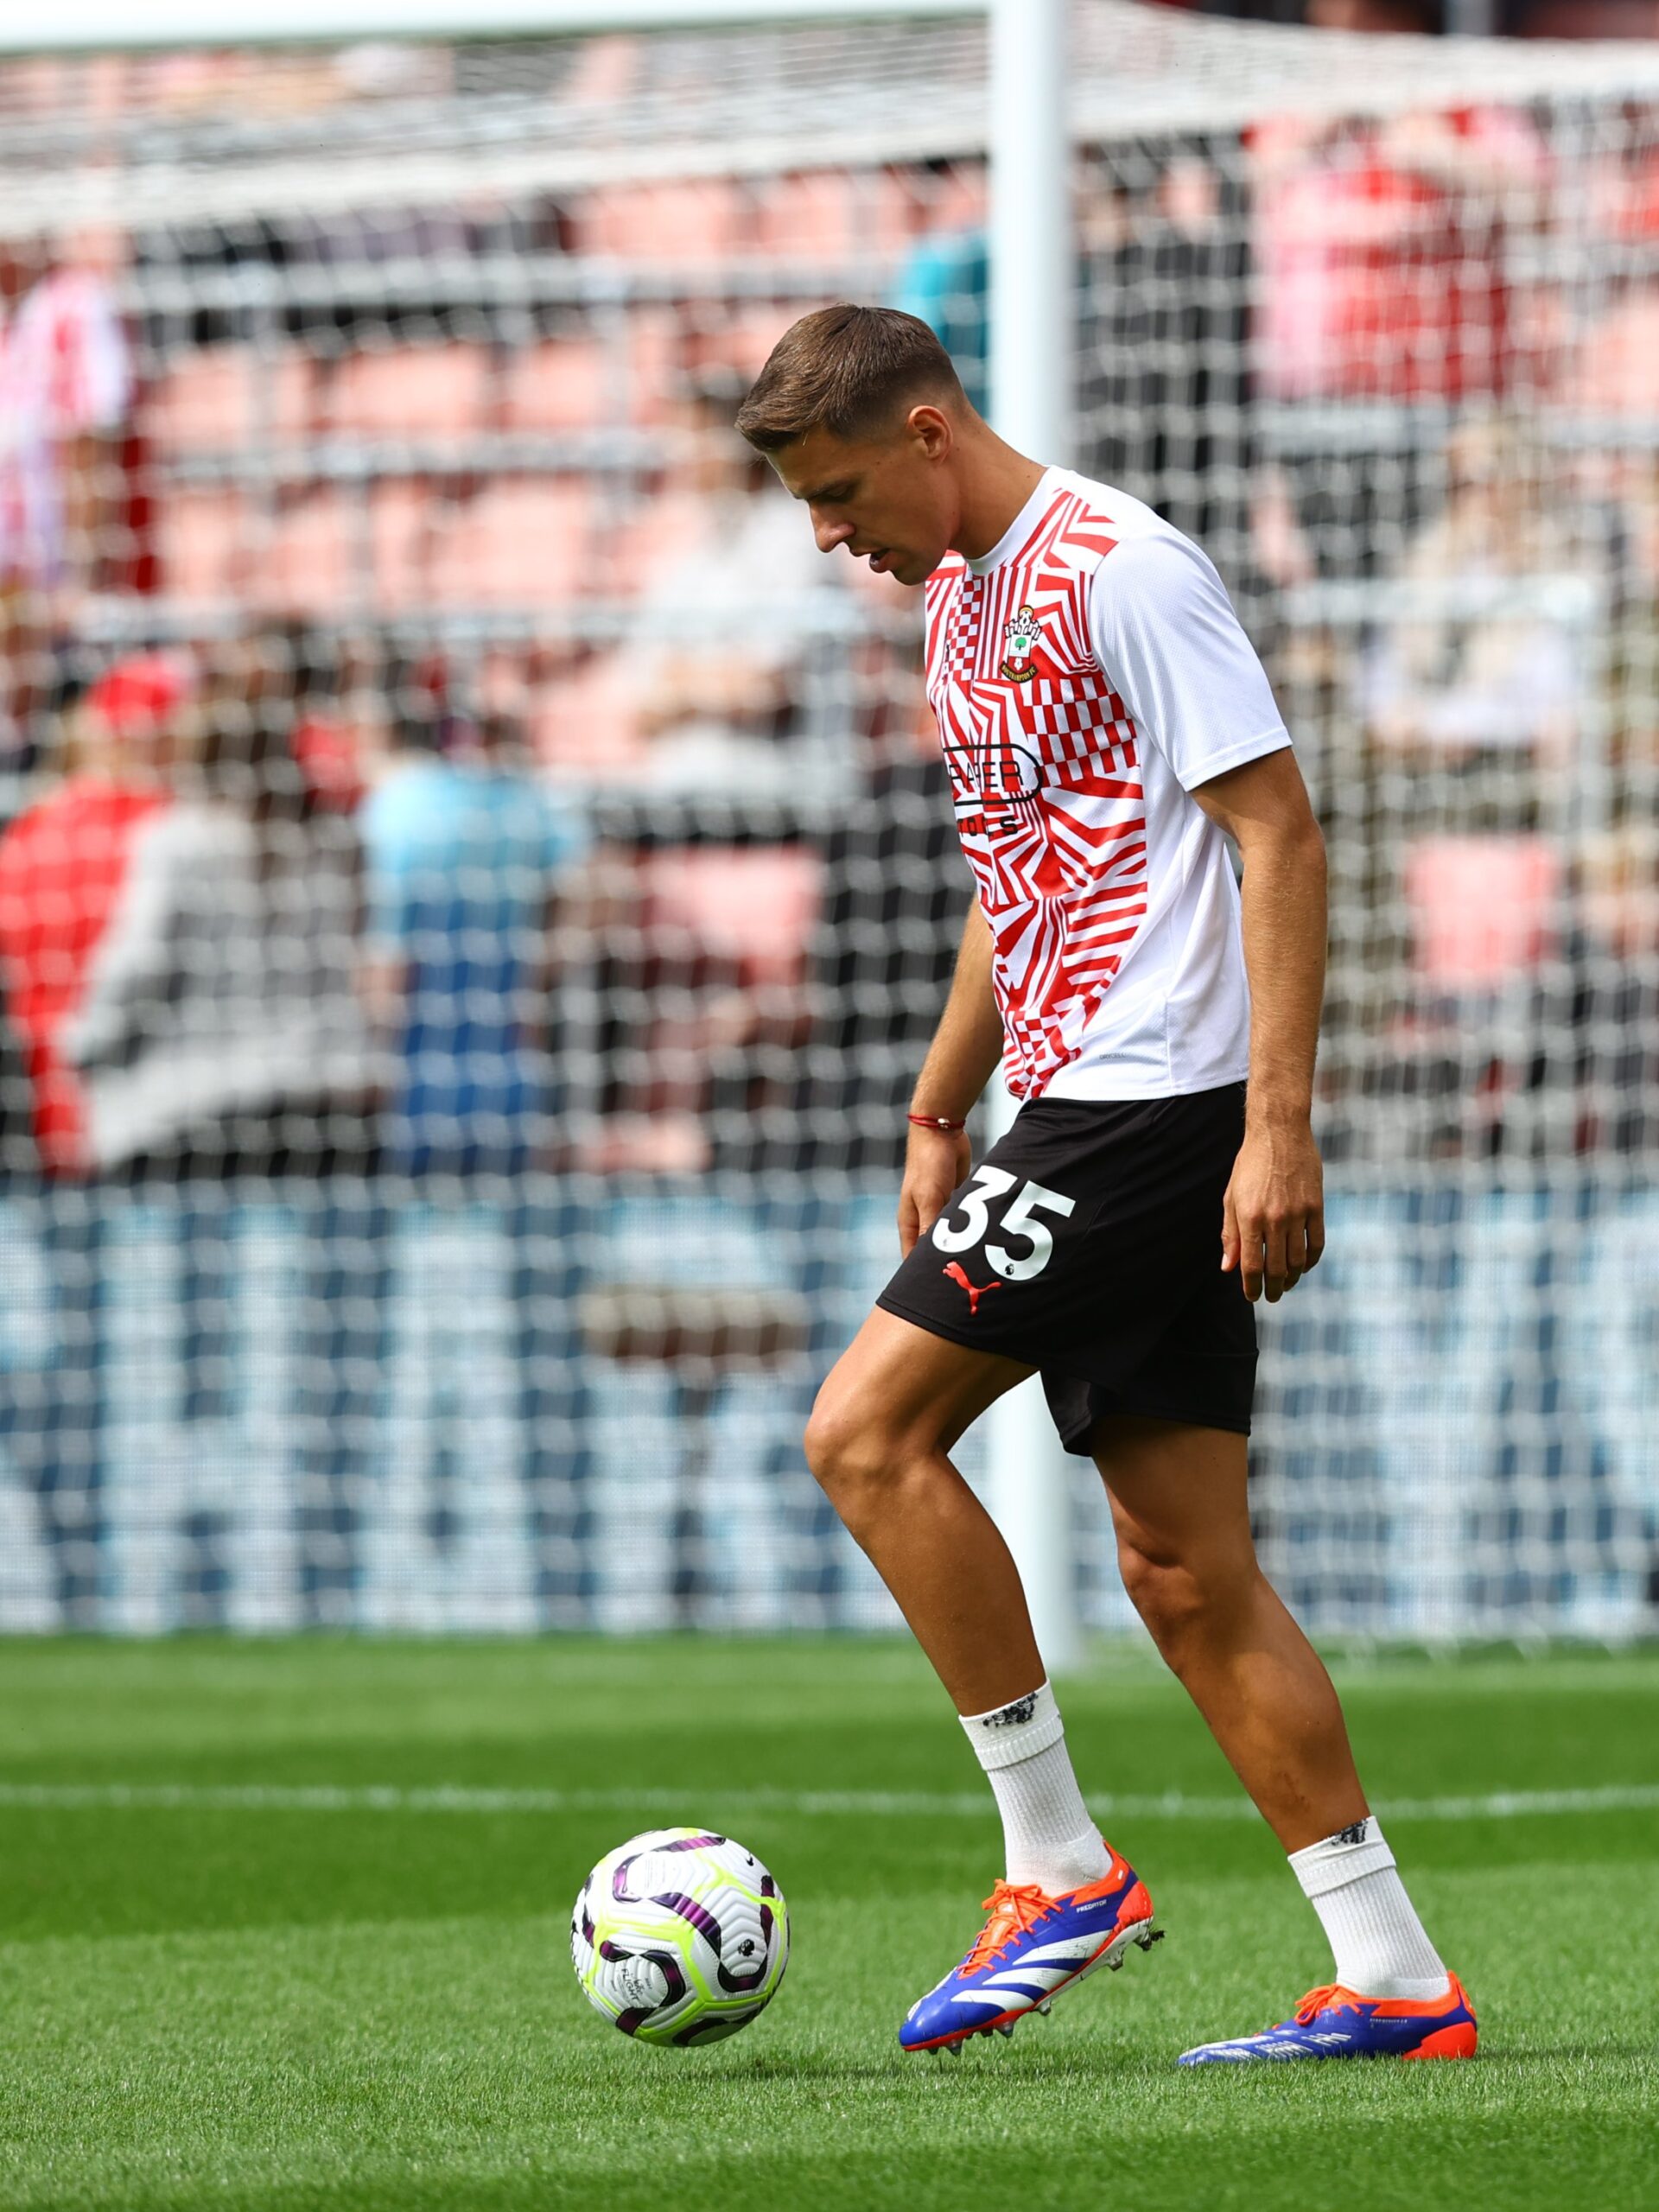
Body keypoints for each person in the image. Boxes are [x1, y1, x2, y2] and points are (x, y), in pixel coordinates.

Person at [734, 305, 1475, 2065]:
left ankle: (1056, 1860)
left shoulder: (1122, 566)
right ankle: (1394, 1976)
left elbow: (1279, 825)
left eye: (840, 492)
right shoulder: (959, 600)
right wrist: (940, 1100)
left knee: (862, 1432)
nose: (832, 536)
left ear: (928, 429)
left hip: (1155, 1111)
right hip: (1070, 1100)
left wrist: (1275, 1126)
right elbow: (1028, 860)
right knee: (1185, 1566)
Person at [359, 672, 590, 1178]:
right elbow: (588, 896)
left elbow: (385, 950)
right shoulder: (534, 803)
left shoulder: (402, 801)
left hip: (437, 1047)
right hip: (494, 1036)